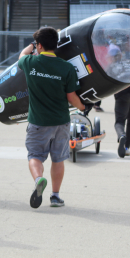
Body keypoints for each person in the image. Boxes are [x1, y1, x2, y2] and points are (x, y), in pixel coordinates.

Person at [17, 27, 91, 209]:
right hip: (61, 122)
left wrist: (30, 47)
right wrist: (84, 107)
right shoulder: (66, 67)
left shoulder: (30, 62)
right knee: (58, 159)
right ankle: (56, 196)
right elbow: (72, 97)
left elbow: (21, 55)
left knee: (35, 156)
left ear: (39, 45)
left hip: (38, 122)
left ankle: (39, 179)